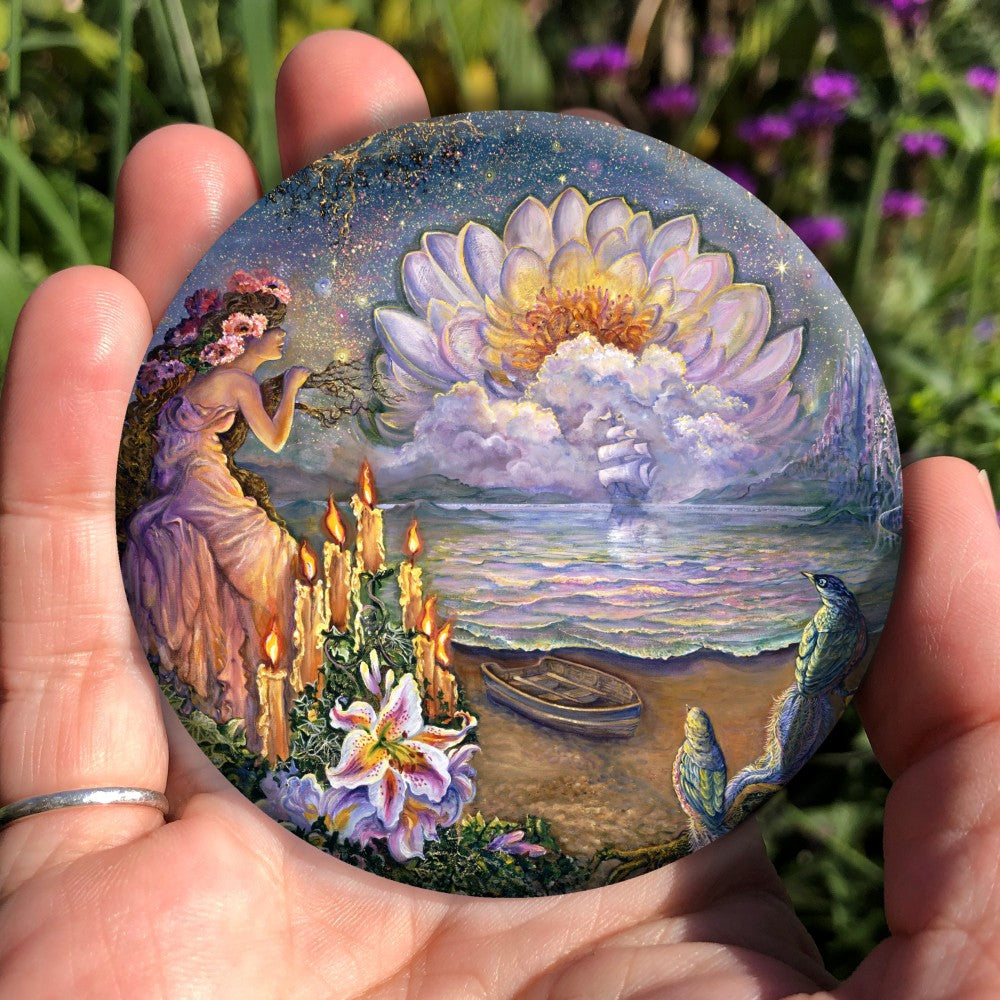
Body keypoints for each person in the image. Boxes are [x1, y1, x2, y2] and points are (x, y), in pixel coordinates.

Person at [0, 30, 998, 998]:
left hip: (242, 508)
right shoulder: (199, 389)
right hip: (201, 504)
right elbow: (238, 436)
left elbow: (268, 425)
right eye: (254, 330)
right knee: (272, 590)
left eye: (267, 330)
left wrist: (297, 392)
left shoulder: (263, 379)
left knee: (283, 587)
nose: (260, 339)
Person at [121, 272, 309, 752]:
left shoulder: (214, 380)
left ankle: (257, 669)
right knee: (270, 550)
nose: (283, 336)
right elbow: (276, 439)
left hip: (186, 477)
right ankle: (280, 663)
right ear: (248, 333)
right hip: (200, 481)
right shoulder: (237, 381)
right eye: (275, 327)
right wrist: (290, 388)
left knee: (262, 547)